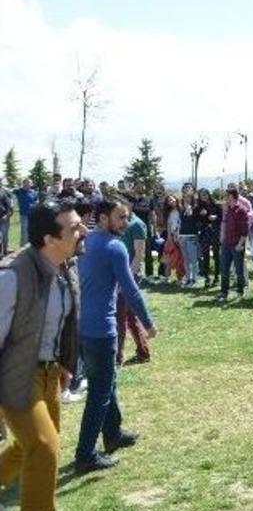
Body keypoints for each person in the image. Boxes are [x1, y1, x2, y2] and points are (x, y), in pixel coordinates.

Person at [0, 201, 87, 511]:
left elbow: (66, 322)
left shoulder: (65, 266)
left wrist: (64, 364)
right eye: (74, 228)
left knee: (28, 446)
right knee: (45, 448)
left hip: (49, 372)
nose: (83, 232)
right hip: (15, 377)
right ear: (49, 239)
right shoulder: (12, 276)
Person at [74, 200, 157, 473]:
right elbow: (130, 290)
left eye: (127, 217)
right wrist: (147, 323)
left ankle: (113, 433)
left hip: (82, 327)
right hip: (101, 329)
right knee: (100, 391)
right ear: (103, 218)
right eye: (120, 218)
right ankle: (85, 454)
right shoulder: (115, 247)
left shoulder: (86, 241)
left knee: (106, 381)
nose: (125, 223)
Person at [116, 207, 150, 366]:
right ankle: (142, 351)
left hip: (130, 275)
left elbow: (139, 254)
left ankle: (117, 356)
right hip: (121, 275)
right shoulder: (122, 224)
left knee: (121, 316)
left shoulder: (136, 225)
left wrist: (127, 278)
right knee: (128, 315)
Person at [218, 188, 250, 302]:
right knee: (224, 269)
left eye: (227, 196)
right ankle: (223, 292)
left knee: (239, 269)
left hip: (237, 245)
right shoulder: (228, 210)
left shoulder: (241, 210)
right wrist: (222, 240)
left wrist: (240, 244)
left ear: (232, 197)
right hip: (227, 244)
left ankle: (240, 291)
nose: (225, 198)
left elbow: (245, 231)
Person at [195, 188, 221, 289]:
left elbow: (222, 217)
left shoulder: (216, 205)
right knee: (205, 256)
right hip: (204, 233)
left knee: (216, 255)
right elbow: (195, 220)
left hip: (215, 232)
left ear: (208, 194)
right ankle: (207, 278)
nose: (204, 196)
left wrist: (216, 217)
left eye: (205, 194)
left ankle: (217, 276)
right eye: (202, 195)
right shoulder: (198, 207)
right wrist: (200, 216)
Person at [177, 186, 200, 286]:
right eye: (185, 194)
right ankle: (188, 278)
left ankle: (194, 279)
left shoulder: (196, 206)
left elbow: (194, 219)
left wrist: (189, 209)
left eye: (189, 194)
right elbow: (180, 222)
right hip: (182, 236)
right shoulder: (180, 206)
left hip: (192, 235)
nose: (187, 196)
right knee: (186, 259)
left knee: (193, 259)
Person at [13, 178, 38, 247]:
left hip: (32, 215)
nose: (28, 184)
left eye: (29, 183)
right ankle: (22, 248)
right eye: (26, 183)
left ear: (32, 184)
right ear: (23, 184)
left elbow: (36, 201)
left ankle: (29, 247)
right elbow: (11, 191)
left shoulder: (34, 192)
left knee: (31, 231)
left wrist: (34, 204)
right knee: (24, 232)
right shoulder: (19, 191)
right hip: (24, 215)